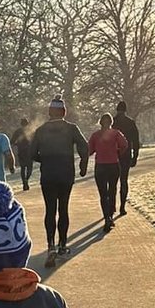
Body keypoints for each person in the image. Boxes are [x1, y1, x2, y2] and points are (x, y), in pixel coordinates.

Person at [29, 97, 89, 266]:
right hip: (66, 173)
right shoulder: (71, 129)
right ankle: (62, 245)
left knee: (50, 210)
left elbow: (32, 153)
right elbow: (84, 147)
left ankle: (50, 246)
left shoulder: (41, 130)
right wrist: (82, 166)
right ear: (64, 112)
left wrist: (45, 160)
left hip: (48, 174)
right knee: (63, 208)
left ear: (49, 112)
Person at [88, 113, 128, 232]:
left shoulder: (95, 135)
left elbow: (89, 150)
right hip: (113, 165)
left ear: (100, 122)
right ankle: (110, 214)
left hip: (100, 166)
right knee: (112, 190)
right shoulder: (116, 133)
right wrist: (118, 153)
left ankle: (106, 216)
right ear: (111, 122)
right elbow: (125, 144)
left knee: (103, 194)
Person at [111, 101, 140, 217]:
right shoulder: (130, 122)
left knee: (112, 182)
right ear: (125, 110)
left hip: (113, 155)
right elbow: (135, 141)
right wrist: (135, 156)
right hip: (126, 155)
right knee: (124, 181)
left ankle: (111, 207)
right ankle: (122, 207)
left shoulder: (112, 122)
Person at [14, 117, 34, 191]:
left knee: (23, 168)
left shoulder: (17, 131)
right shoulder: (31, 131)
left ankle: (24, 182)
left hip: (21, 151)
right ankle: (26, 180)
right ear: (27, 124)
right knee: (29, 168)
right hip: (29, 152)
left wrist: (17, 144)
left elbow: (12, 141)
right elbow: (35, 141)